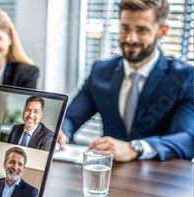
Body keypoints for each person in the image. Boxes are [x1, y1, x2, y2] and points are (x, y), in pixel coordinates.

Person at [58, 0, 193, 162]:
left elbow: (187, 138)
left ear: (162, 31)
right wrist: (61, 132)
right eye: (125, 28)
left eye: (141, 30)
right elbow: (71, 117)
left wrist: (136, 147)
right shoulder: (100, 71)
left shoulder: (184, 77)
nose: (130, 39)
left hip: (159, 179)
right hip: (108, 174)